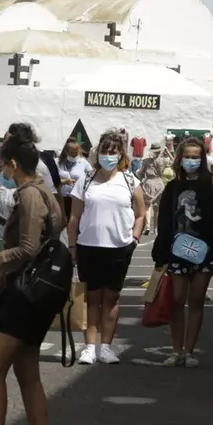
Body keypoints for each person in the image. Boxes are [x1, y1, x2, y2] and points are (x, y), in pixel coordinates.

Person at [0, 123, 61, 425]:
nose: (1, 170)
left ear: (14, 165)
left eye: (3, 165)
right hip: (31, 288)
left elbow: (28, 248)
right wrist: (2, 275)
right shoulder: (43, 190)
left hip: (26, 297)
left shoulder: (31, 195)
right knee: (28, 376)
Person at [151, 138, 213, 367]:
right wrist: (160, 256)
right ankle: (176, 350)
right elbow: (164, 222)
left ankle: (189, 351)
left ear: (203, 158)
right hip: (177, 252)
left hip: (205, 253)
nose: (191, 160)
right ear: (180, 158)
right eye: (187, 156)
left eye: (195, 156)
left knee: (196, 300)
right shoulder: (173, 187)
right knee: (177, 300)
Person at [69, 129, 148, 365]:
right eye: (105, 151)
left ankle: (106, 347)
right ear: (98, 153)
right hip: (88, 247)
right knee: (90, 298)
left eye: (113, 152)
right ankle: (89, 347)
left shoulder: (130, 180)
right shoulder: (86, 181)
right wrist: (72, 246)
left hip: (118, 248)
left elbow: (140, 214)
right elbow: (73, 217)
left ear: (121, 155)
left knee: (111, 298)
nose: (108, 156)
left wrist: (133, 239)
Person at [57, 137, 92, 221]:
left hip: (76, 199)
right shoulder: (57, 163)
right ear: (66, 151)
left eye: (76, 153)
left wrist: (81, 183)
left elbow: (92, 177)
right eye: (72, 153)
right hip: (61, 199)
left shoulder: (83, 163)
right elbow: (50, 180)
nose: (75, 155)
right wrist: (63, 181)